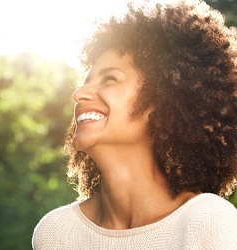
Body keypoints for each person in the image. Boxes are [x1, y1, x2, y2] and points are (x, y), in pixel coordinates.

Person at [32, 0, 237, 249]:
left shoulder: (209, 223)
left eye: (110, 79)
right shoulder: (56, 233)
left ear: (161, 102)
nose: (80, 93)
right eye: (85, 81)